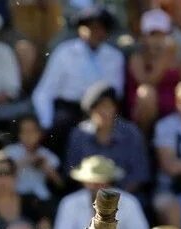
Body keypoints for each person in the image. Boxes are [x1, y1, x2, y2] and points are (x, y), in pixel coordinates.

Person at [32, 6, 124, 153]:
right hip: (69, 110)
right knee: (59, 128)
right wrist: (46, 123)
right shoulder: (64, 52)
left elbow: (115, 92)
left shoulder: (114, 57)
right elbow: (44, 92)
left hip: (102, 109)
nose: (95, 32)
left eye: (100, 28)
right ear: (80, 29)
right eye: (90, 27)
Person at [65, 82, 151, 195]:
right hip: (87, 197)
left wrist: (113, 196)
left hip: (125, 197)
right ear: (90, 111)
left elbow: (139, 174)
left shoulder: (131, 133)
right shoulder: (79, 135)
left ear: (115, 108)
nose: (103, 112)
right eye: (97, 107)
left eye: (107, 106)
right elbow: (72, 171)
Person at [126, 9, 181, 135]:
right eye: (153, 34)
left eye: (161, 34)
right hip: (144, 112)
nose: (157, 39)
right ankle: (143, 140)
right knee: (147, 94)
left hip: (173, 110)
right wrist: (164, 58)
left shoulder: (175, 56)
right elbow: (149, 82)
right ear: (144, 36)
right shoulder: (137, 58)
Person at [2, 115, 63, 203]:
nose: (29, 135)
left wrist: (44, 166)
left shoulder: (45, 154)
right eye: (25, 131)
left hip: (41, 196)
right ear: (19, 134)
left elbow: (59, 183)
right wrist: (27, 160)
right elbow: (5, 172)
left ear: (40, 133)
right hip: (18, 196)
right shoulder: (10, 151)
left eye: (33, 131)